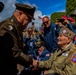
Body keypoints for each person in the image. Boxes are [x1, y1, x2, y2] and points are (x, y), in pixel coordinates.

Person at [0, 3, 36, 75]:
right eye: (27, 20)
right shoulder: (8, 27)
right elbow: (15, 53)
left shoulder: (16, 28)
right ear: (20, 14)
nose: (27, 23)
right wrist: (31, 61)